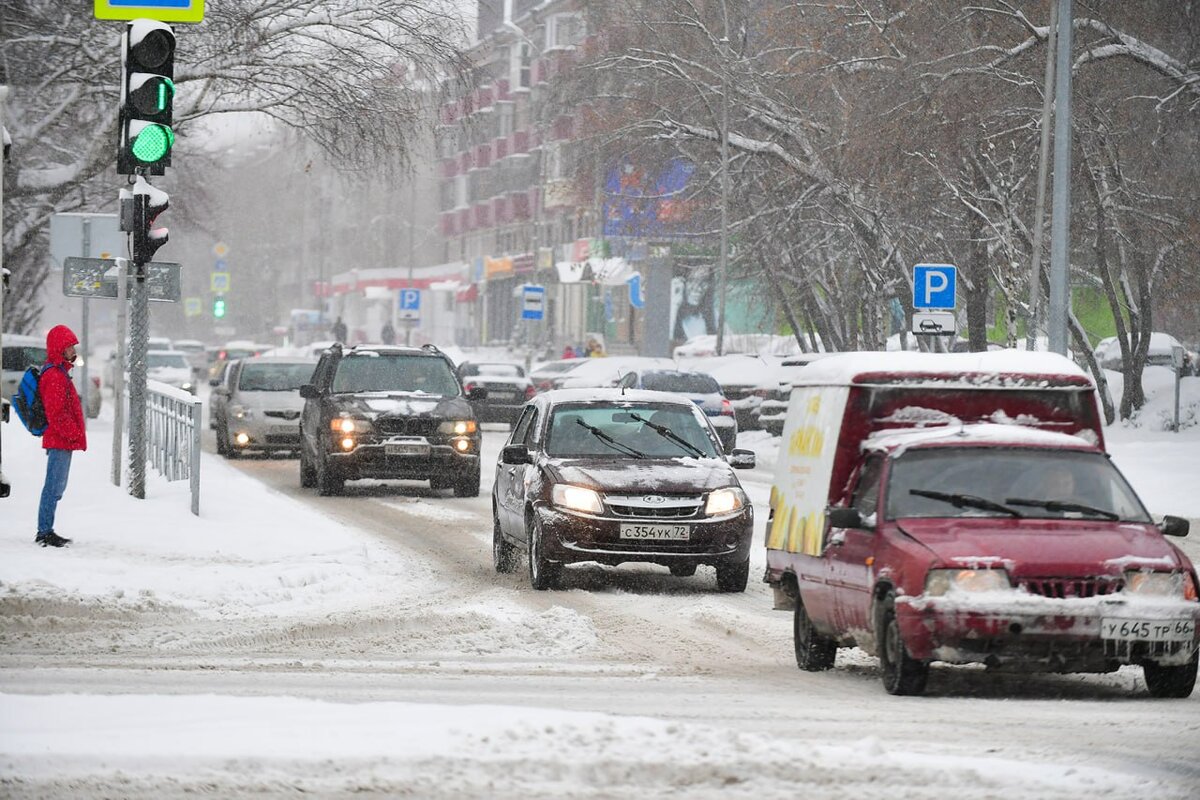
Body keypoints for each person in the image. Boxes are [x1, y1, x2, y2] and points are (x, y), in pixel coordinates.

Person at [35, 325, 87, 548]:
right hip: (60, 439)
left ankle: (46, 529)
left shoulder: (60, 372)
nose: (72, 350)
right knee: (53, 487)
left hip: (62, 439)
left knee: (57, 486)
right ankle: (44, 531)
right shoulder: (55, 375)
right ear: (59, 348)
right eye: (69, 346)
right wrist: (74, 434)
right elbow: (56, 414)